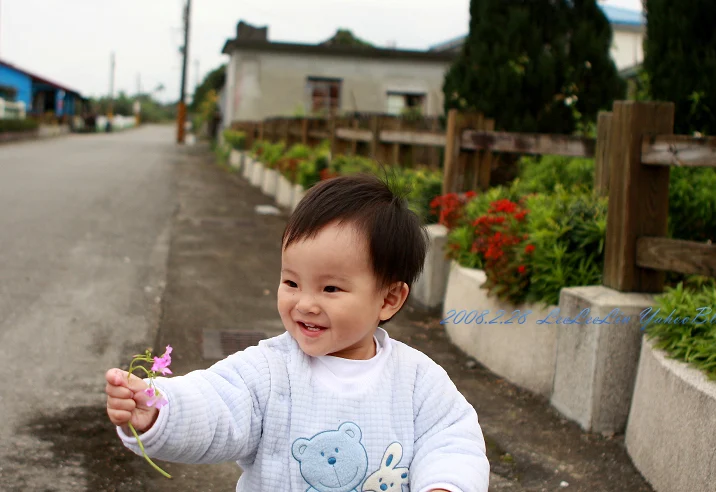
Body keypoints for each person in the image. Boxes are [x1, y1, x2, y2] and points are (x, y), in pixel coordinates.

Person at [105, 172, 490, 491]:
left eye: (330, 288)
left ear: (389, 299)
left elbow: (452, 441)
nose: (305, 303)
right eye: (291, 282)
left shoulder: (417, 381)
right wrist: (156, 411)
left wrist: (445, 485)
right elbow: (216, 406)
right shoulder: (269, 371)